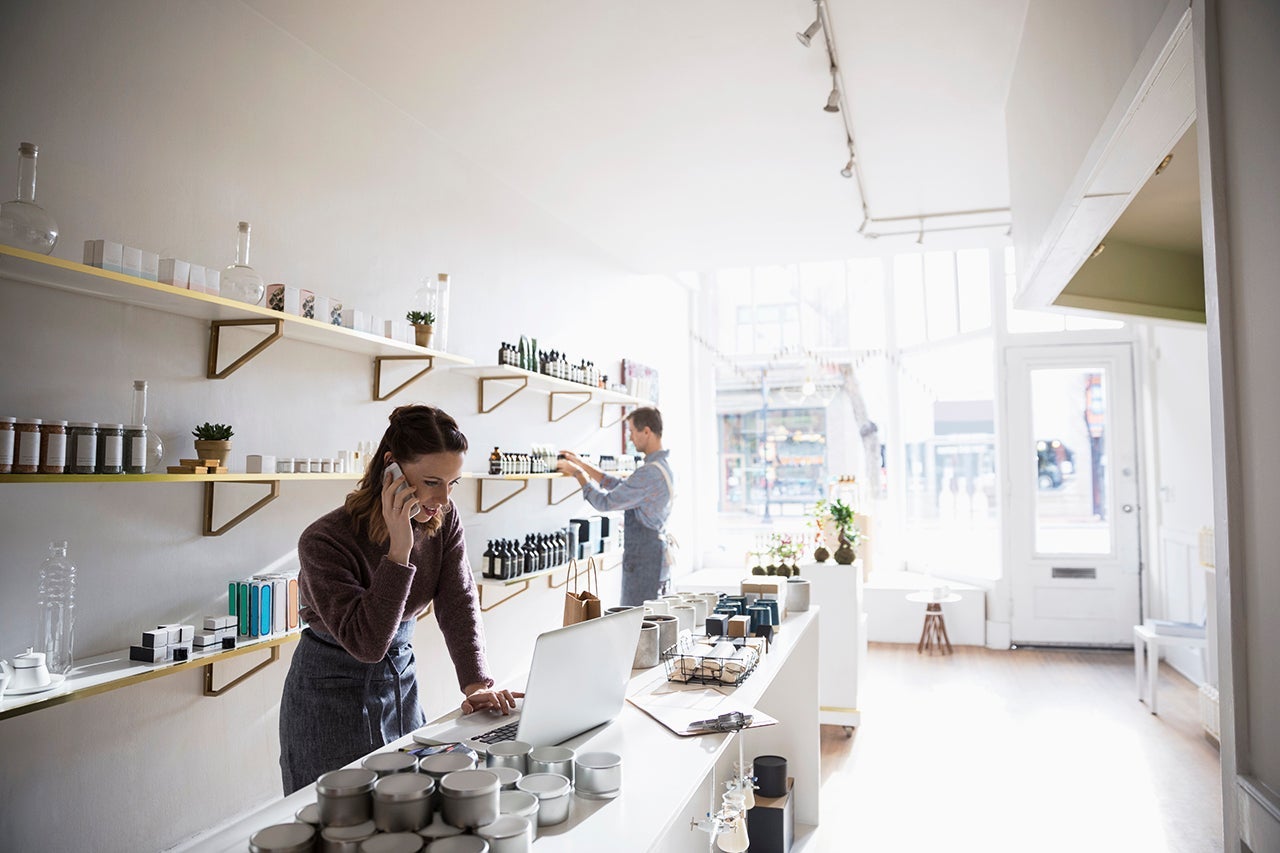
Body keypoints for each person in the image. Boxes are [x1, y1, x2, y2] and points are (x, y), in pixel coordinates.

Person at [279, 404, 520, 794]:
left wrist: (476, 683)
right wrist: (400, 549)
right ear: (391, 467)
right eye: (431, 482)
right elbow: (368, 643)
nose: (443, 499)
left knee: (407, 808)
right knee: (335, 822)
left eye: (452, 483)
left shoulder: (442, 520)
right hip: (328, 694)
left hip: (400, 684)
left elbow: (458, 600)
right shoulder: (323, 541)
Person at [556, 406, 674, 606]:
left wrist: (578, 475)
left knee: (636, 624)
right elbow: (620, 487)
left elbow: (605, 502)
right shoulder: (662, 467)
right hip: (652, 559)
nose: (630, 438)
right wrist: (581, 463)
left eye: (632, 431)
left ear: (646, 431)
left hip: (644, 564)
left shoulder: (649, 473)